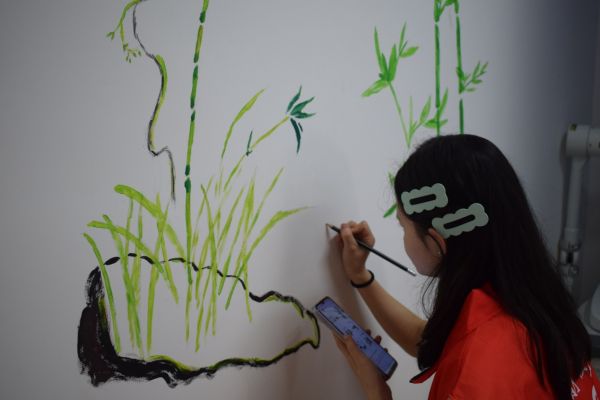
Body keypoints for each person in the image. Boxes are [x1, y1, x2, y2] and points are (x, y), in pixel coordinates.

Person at [332, 134, 600, 400]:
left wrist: (376, 391)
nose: (403, 236)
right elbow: (431, 341)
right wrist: (360, 276)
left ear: (436, 243)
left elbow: (471, 357)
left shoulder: (478, 369)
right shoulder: (529, 298)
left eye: (403, 226)